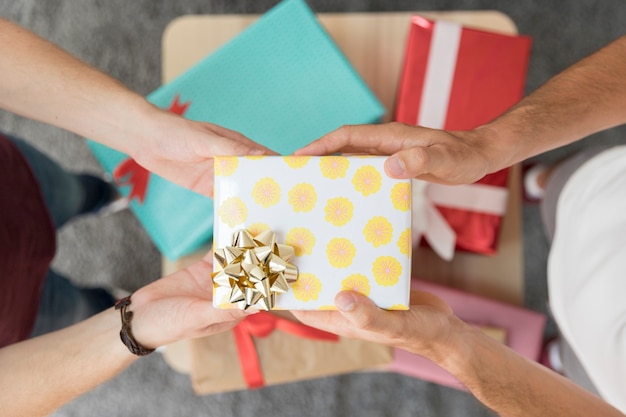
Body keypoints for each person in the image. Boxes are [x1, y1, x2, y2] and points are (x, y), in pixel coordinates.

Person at [293, 34, 626, 416]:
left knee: (580, 370)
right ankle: (542, 180)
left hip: (604, 385)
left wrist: (449, 344)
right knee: (573, 185)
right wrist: (487, 146)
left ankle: (560, 361)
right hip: (608, 205)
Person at [0, 17, 271, 417]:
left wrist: (142, 131)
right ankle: (110, 298)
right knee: (82, 310)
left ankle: (104, 194)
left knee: (72, 191)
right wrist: (131, 328)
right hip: (17, 322)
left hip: (15, 184)